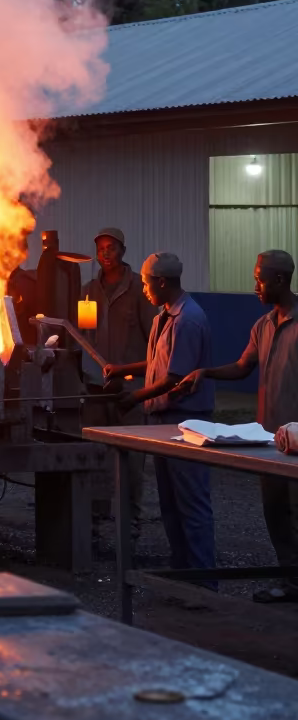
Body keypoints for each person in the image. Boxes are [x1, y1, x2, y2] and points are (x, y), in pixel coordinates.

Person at [173, 249, 298, 603]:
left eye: (259, 278)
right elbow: (243, 366)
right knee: (276, 512)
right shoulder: (262, 326)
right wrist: (206, 372)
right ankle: (290, 582)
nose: (254, 285)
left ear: (279, 280)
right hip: (270, 441)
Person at [103, 252, 216, 582]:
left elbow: (173, 379)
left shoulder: (189, 320)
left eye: (145, 283)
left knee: (191, 504)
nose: (144, 290)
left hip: (186, 422)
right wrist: (121, 369)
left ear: (162, 282)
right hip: (164, 421)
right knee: (170, 504)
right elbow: (156, 365)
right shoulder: (162, 318)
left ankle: (204, 583)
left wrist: (133, 398)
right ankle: (182, 571)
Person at [83, 227, 156, 536]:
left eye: (111, 247)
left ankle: (130, 521)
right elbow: (84, 335)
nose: (105, 253)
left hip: (130, 390)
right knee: (97, 455)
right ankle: (97, 520)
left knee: (131, 460)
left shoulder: (140, 291)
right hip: (97, 390)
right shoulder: (88, 291)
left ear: (123, 250)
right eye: (100, 248)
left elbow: (155, 340)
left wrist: (140, 377)